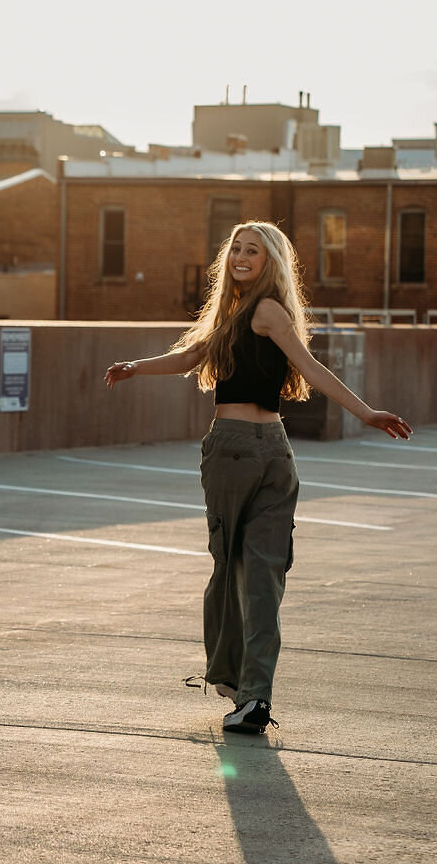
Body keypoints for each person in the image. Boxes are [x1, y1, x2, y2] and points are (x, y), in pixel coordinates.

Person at [105, 221, 412, 734]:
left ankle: (240, 686)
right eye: (237, 250)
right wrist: (136, 366)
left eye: (254, 251)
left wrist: (366, 412)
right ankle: (252, 696)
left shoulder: (265, 311)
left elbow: (311, 368)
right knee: (259, 579)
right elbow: (189, 357)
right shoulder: (233, 315)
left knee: (237, 574)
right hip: (274, 452)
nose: (242, 257)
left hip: (237, 451)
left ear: (271, 262)